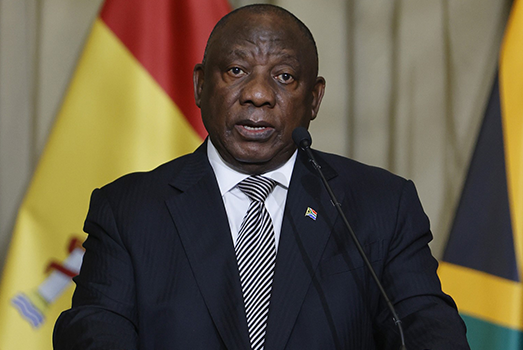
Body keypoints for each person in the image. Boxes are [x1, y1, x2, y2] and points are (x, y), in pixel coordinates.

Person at [53, 4, 469, 350]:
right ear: (200, 86)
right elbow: (93, 332)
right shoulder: (130, 210)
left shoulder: (379, 205)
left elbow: (427, 329)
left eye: (284, 77)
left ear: (314, 98)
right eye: (236, 70)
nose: (258, 93)